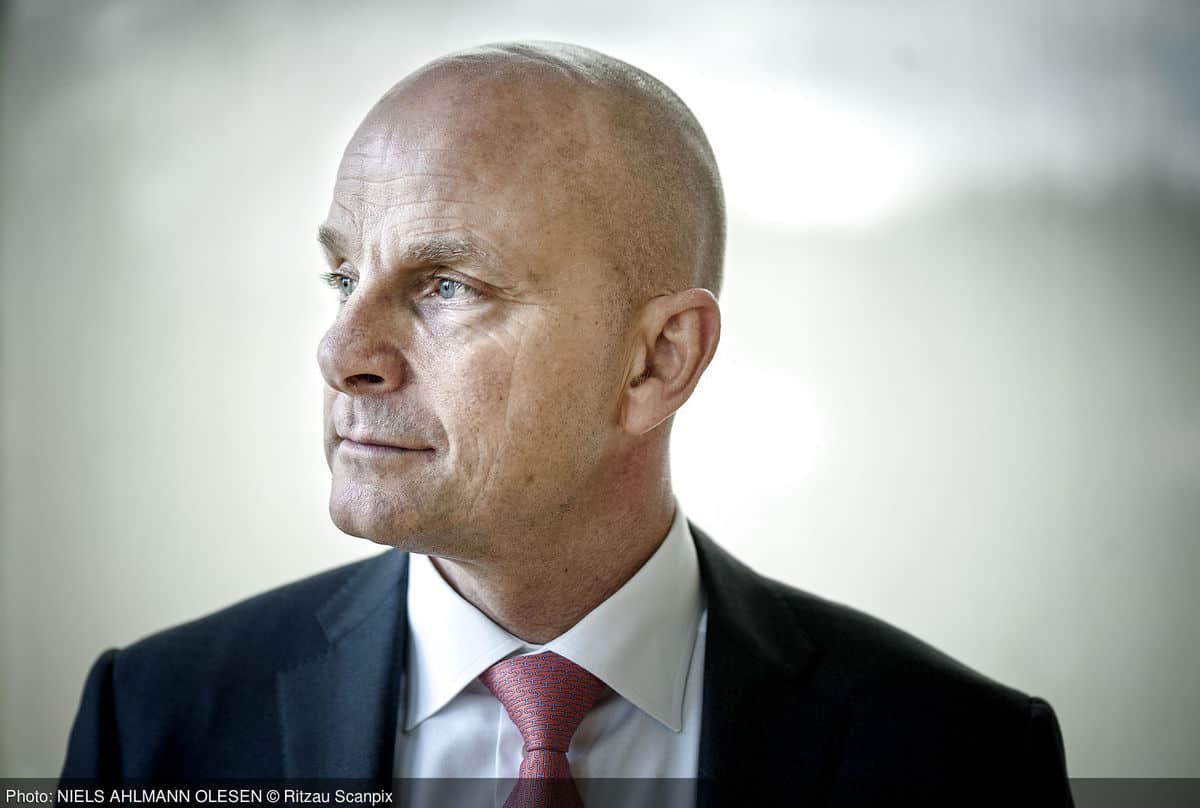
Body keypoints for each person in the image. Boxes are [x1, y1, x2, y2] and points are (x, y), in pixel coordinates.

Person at [61, 42, 1073, 806]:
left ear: (657, 360)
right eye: (342, 276)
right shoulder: (149, 723)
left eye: (447, 285)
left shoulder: (963, 758)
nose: (342, 352)